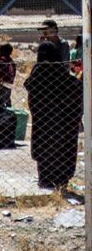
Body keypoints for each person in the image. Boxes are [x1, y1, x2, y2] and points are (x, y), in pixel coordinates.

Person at [24, 40, 81, 190]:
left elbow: (29, 85)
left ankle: (45, 179)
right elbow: (75, 89)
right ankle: (61, 179)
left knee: (44, 149)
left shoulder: (39, 71)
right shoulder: (60, 72)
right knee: (62, 148)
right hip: (62, 122)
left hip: (43, 121)